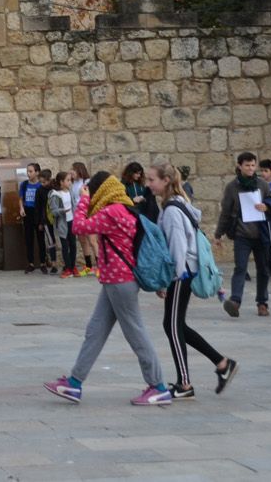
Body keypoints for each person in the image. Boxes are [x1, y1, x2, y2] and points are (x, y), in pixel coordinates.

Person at [45, 170, 171, 406]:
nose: (90, 195)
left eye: (92, 191)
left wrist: (82, 200)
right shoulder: (123, 209)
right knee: (95, 330)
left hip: (120, 282)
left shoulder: (113, 212)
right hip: (114, 281)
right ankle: (74, 382)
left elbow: (79, 227)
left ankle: (158, 386)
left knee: (135, 332)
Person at [149, 163, 235, 399]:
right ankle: (221, 363)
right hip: (184, 271)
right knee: (175, 325)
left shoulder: (173, 210)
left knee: (173, 327)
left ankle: (185, 384)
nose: (148, 184)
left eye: (151, 179)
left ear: (165, 180)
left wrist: (169, 279)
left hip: (182, 273)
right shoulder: (173, 205)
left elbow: (178, 247)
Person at [215, 152, 271, 316]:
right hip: (242, 235)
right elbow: (226, 212)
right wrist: (218, 234)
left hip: (261, 233)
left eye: (252, 165)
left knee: (263, 269)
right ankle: (235, 301)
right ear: (239, 166)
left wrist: (267, 207)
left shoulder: (262, 185)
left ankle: (262, 303)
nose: (250, 168)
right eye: (247, 165)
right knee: (240, 268)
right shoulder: (232, 187)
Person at [18, 164, 48, 273]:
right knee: (28, 239)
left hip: (38, 213)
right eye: (28, 171)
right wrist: (21, 208)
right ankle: (30, 263)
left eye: (31, 171)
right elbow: (21, 198)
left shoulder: (41, 185)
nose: (28, 173)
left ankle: (43, 263)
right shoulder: (24, 184)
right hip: (28, 213)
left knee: (41, 239)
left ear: (37, 172)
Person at [68, 162, 95, 275]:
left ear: (79, 170)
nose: (71, 172)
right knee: (83, 241)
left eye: (73, 170)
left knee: (93, 241)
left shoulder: (87, 182)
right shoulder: (73, 184)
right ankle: (88, 265)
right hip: (77, 215)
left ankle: (99, 265)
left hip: (87, 214)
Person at [48, 172, 77, 277]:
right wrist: (62, 211)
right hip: (62, 224)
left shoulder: (70, 192)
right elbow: (53, 210)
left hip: (72, 222)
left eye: (70, 180)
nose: (70, 182)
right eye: (67, 180)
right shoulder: (55, 194)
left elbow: (74, 205)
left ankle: (73, 267)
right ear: (61, 182)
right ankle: (68, 268)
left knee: (73, 245)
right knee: (65, 246)